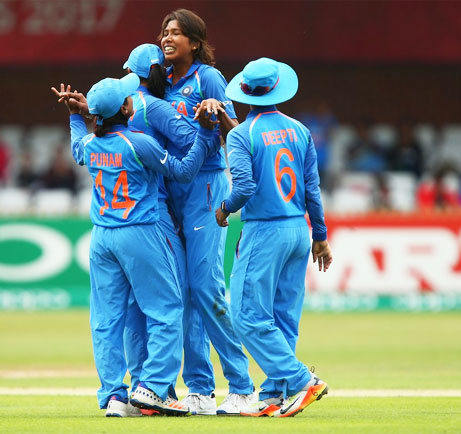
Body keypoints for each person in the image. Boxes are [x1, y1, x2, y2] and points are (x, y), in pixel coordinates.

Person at [56, 73, 216, 417]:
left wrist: (74, 116)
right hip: (139, 232)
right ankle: (153, 388)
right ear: (127, 108)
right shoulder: (138, 142)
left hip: (101, 237)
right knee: (167, 309)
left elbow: (76, 147)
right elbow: (185, 172)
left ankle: (114, 396)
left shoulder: (90, 144)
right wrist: (204, 132)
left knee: (106, 319)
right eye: (129, 98)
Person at [216, 57, 333, 417]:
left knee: (246, 315)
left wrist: (224, 208)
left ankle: (302, 381)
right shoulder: (300, 130)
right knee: (282, 318)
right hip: (299, 228)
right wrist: (321, 236)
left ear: (245, 92)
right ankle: (272, 395)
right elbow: (312, 188)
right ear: (277, 88)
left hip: (265, 229)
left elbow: (245, 186)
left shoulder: (241, 134)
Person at [158, 8, 255, 415]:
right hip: (169, 189)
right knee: (181, 292)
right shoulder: (158, 80)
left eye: (176, 33)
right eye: (164, 32)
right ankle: (199, 387)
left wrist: (217, 117)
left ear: (195, 43)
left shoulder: (208, 78)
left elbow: (237, 137)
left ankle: (243, 385)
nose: (167, 38)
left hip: (208, 185)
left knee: (206, 287)